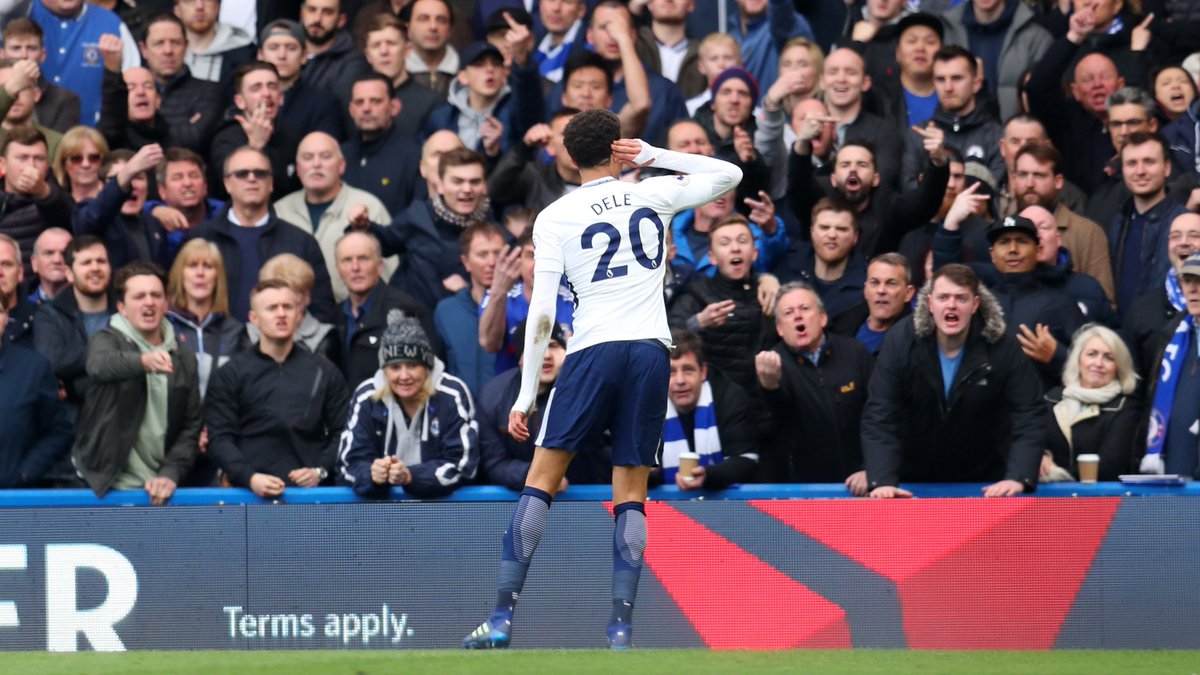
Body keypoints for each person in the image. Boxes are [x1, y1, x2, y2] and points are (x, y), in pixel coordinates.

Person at [461, 108, 742, 650]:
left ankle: (500, 619)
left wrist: (525, 396)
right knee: (631, 492)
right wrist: (654, 155)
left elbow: (542, 313)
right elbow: (727, 175)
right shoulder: (653, 193)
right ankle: (619, 630)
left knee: (540, 480)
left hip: (591, 350)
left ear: (568, 157)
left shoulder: (554, 217)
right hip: (650, 350)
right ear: (618, 148)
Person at [861, 263, 1046, 497]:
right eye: (943, 297)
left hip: (985, 483)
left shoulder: (1001, 345)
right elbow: (880, 414)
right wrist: (882, 480)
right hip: (911, 480)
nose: (951, 305)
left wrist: (1019, 476)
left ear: (975, 304)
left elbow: (1029, 413)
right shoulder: (901, 341)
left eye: (961, 298)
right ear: (930, 304)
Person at [205, 278, 350, 496]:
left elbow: (343, 432)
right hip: (249, 497)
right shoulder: (230, 373)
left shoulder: (324, 371)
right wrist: (249, 478)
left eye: (288, 307)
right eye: (272, 308)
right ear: (254, 318)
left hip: (310, 498)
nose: (281, 314)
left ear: (299, 315)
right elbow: (219, 439)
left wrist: (319, 471)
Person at [71, 260, 201, 501]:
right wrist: (143, 362)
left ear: (166, 303)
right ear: (121, 306)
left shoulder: (183, 355)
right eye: (139, 296)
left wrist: (170, 473)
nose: (149, 302)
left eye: (156, 295)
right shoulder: (106, 339)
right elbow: (99, 365)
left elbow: (191, 427)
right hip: (104, 485)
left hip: (159, 487)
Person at [183, 146, 336, 325]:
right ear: (227, 184)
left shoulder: (301, 242)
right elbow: (181, 300)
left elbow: (322, 309)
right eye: (241, 174)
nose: (251, 178)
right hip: (216, 348)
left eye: (260, 173)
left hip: (283, 349)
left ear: (271, 183)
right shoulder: (200, 238)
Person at [337, 310, 478, 497]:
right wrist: (372, 474)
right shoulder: (366, 397)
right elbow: (348, 465)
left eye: (412, 365)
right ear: (384, 370)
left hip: (442, 510)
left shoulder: (452, 394)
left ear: (427, 367)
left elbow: (464, 464)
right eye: (395, 367)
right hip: (378, 514)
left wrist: (410, 476)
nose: (404, 376)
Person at [755, 281, 873, 492]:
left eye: (805, 309)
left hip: (858, 486)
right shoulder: (770, 364)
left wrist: (871, 468)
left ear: (823, 318)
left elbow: (879, 415)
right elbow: (772, 431)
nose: (798, 316)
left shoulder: (855, 352)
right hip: (801, 492)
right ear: (780, 329)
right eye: (788, 313)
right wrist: (770, 390)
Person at [479, 320, 608, 490]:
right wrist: (540, 477)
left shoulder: (590, 391)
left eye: (553, 345)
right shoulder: (494, 396)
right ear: (521, 358)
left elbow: (609, 452)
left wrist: (649, 471)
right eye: (536, 346)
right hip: (523, 499)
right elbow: (495, 463)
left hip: (588, 500)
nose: (546, 354)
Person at [274, 131, 394, 301]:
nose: (316, 164)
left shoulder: (369, 206)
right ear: (298, 168)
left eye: (325, 156)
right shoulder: (280, 211)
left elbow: (389, 272)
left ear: (341, 165)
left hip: (353, 316)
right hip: (289, 316)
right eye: (308, 158)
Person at [668, 214, 773, 394]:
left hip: (767, 399)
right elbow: (669, 341)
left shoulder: (770, 292)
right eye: (725, 243)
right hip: (716, 401)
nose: (735, 249)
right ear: (712, 257)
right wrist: (698, 322)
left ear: (755, 253)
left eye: (742, 241)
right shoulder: (695, 295)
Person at [659, 328, 757, 490]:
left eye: (688, 370)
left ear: (703, 372)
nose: (680, 380)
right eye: (671, 372)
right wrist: (652, 475)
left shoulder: (730, 397)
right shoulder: (648, 407)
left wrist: (708, 476)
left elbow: (747, 460)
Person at [335, 231, 434, 389]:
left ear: (379, 266)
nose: (355, 267)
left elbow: (428, 374)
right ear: (338, 269)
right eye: (347, 260)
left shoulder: (406, 311)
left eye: (363, 258)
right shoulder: (335, 317)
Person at [1042, 324, 1140, 482]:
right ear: (1078, 360)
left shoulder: (1126, 408)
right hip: (1047, 501)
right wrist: (1038, 458)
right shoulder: (1051, 399)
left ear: (1118, 366)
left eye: (1109, 357)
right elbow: (1029, 443)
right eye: (1091, 354)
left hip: (1101, 501)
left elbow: (1109, 467)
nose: (1098, 363)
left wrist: (1053, 473)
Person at [33, 235, 115, 419]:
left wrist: (74, 386)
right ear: (69, 273)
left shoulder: (125, 310)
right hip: (73, 426)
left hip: (120, 421)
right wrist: (112, 358)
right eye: (86, 262)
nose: (95, 268)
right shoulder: (50, 314)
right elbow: (51, 361)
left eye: (101, 261)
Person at [0, 287, 72, 487]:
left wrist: (25, 472)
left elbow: (60, 431)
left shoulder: (33, 368)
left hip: (13, 501)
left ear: (6, 317)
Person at [939, 0, 1051, 122]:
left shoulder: (1036, 37)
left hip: (1016, 136)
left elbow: (1046, 100)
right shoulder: (946, 31)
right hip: (957, 133)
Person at [1141, 253, 1200, 478]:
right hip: (1176, 471)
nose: (1192, 289)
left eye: (1199, 281)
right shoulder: (1171, 336)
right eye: (1187, 281)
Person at [165, 238, 246, 398]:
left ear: (218, 277)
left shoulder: (235, 331)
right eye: (193, 266)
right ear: (180, 274)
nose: (200, 273)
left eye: (208, 266)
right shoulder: (165, 326)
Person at [1123, 212, 1200, 380]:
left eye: (1194, 236)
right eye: (1175, 237)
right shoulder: (1143, 310)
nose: (1184, 242)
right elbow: (1131, 385)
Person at [208, 61, 299, 201]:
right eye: (256, 88)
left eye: (272, 86)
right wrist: (255, 146)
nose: (266, 94)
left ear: (281, 98)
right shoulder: (226, 138)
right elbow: (228, 189)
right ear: (240, 102)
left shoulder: (291, 134)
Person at [340, 72, 423, 217]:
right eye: (359, 102)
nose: (366, 108)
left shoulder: (413, 157)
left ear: (394, 107)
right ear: (351, 110)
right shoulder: (340, 156)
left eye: (375, 101)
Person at [434, 222, 502, 397]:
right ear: (466, 262)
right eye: (482, 255)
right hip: (460, 415)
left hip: (507, 416)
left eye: (498, 253)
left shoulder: (520, 306)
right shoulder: (446, 311)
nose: (492, 262)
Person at [257, 18, 344, 141]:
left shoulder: (323, 104)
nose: (282, 55)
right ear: (260, 55)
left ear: (304, 56)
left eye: (291, 48)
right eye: (273, 47)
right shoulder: (246, 101)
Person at [0, 126, 71, 275]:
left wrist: (43, 192)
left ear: (47, 165)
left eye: (39, 159)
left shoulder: (57, 199)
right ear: (3, 165)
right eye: (22, 158)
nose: (31, 166)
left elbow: (71, 216)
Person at [361, 12, 439, 138]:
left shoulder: (431, 102)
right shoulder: (356, 101)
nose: (384, 51)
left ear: (407, 50)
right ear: (368, 56)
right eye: (376, 45)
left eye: (391, 43)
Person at [249, 253, 339, 363]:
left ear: (307, 296)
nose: (283, 300)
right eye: (274, 293)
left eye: (292, 292)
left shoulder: (325, 337)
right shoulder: (248, 333)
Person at [2, 18, 81, 133]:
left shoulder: (65, 100)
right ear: (2, 54)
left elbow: (62, 149)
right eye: (16, 48)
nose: (23, 55)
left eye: (31, 48)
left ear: (43, 55)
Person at [828, 252, 914, 354]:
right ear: (865, 289)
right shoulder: (841, 323)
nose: (881, 290)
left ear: (908, 293)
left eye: (891, 283)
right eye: (874, 282)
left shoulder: (916, 340)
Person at [176, 0, 255, 90]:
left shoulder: (245, 55)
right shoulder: (165, 52)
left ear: (218, 6)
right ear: (176, 9)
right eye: (190, 1)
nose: (199, 6)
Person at [51, 126, 108, 208]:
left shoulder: (118, 205)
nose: (86, 164)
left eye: (94, 158)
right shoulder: (54, 206)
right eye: (76, 158)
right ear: (64, 164)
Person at [26, 226, 71, 304]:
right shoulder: (20, 305)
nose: (57, 260)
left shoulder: (88, 304)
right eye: (49, 253)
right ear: (34, 262)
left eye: (64, 254)